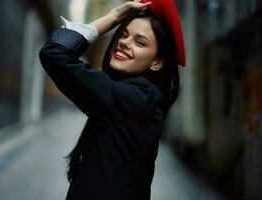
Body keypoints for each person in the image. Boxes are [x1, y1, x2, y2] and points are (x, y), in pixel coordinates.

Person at [39, 0, 186, 199]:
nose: (124, 42)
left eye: (140, 42)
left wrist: (114, 16)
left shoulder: (133, 100)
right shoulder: (142, 99)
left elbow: (55, 53)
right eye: (123, 34)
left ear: (157, 63)